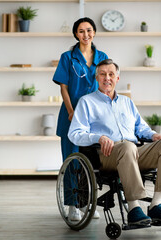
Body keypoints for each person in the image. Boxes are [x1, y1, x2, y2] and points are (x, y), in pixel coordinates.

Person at [68, 59, 161, 227]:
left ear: (117, 79)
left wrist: (154, 135)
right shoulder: (87, 102)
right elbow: (75, 134)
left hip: (134, 151)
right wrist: (98, 137)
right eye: (103, 74)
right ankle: (134, 208)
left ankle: (156, 204)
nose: (107, 78)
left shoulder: (127, 102)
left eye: (111, 74)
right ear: (96, 78)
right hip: (107, 153)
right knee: (127, 147)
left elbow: (141, 127)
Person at [53, 17, 108, 221]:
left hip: (94, 118)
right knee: (72, 161)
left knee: (91, 162)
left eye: (89, 30)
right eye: (81, 31)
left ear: (94, 32)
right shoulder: (67, 57)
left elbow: (106, 83)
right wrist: (71, 111)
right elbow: (64, 87)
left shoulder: (102, 56)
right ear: (76, 34)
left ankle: (88, 204)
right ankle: (72, 205)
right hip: (71, 116)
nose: (86, 35)